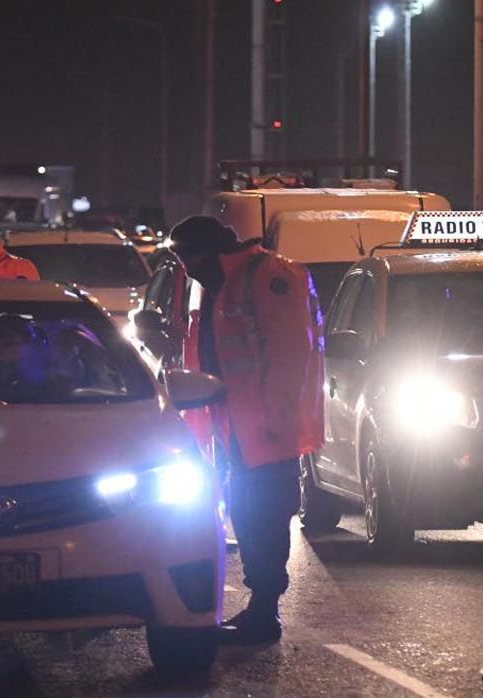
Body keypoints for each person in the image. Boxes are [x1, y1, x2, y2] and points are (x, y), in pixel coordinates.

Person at [167, 215, 324, 645]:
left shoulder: (268, 276)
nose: (185, 267)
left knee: (264, 516)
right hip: (235, 426)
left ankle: (265, 609)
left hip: (265, 428)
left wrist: (275, 420)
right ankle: (260, 606)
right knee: (249, 514)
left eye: (186, 257)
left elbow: (290, 353)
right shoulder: (221, 283)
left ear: (207, 252)